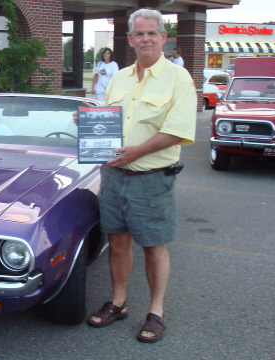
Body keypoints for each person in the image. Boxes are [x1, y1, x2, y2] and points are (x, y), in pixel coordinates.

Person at [78, 8, 196, 343]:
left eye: (151, 33)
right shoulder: (120, 77)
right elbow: (112, 118)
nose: (145, 39)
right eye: (139, 34)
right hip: (114, 176)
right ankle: (118, 303)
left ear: (163, 37)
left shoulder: (178, 79)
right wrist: (90, 119)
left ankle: (156, 311)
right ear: (130, 40)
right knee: (116, 240)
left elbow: (177, 131)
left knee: (153, 246)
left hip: (152, 178)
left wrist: (136, 152)